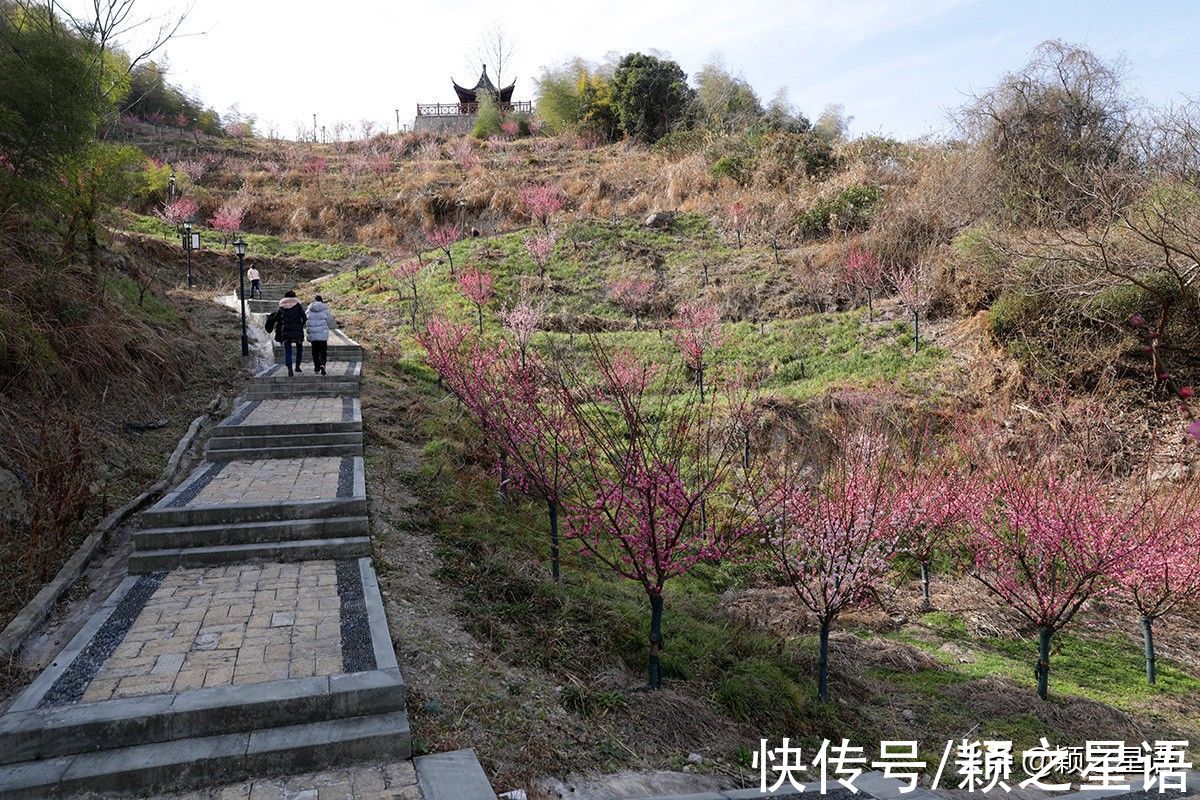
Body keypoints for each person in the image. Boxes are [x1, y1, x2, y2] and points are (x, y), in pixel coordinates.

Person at [273, 290, 307, 376]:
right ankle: (298, 366)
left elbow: (276, 318)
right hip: (297, 331)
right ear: (295, 297)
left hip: (286, 331)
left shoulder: (282, 307)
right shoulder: (298, 306)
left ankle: (289, 368)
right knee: (299, 349)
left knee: (288, 350)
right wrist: (300, 325)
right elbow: (305, 318)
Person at [305, 294, 337, 376]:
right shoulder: (325, 310)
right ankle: (323, 364)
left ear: (314, 301)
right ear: (322, 301)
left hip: (313, 335)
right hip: (323, 335)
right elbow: (330, 320)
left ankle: (316, 367)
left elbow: (305, 320)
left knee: (315, 351)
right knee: (323, 351)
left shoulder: (309, 310)